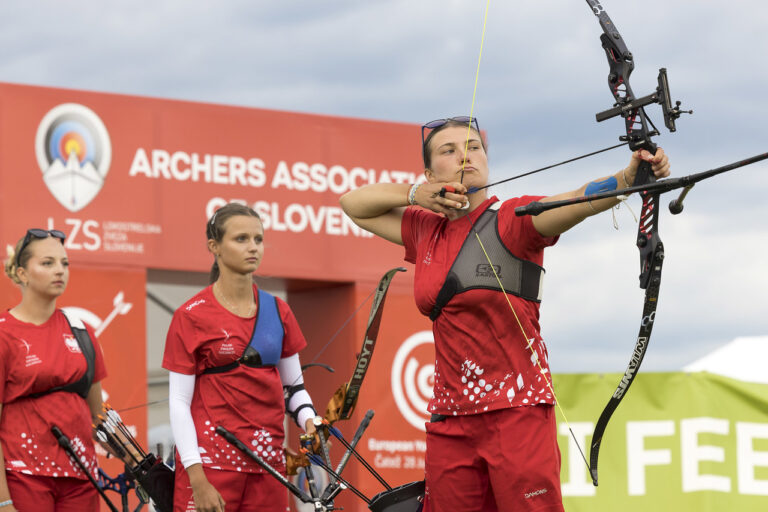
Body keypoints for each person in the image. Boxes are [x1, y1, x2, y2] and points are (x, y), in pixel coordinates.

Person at [339, 117, 671, 512]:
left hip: (517, 414)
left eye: (474, 147)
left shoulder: (512, 221)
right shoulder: (424, 230)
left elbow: (578, 199)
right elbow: (353, 205)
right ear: (430, 174)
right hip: (450, 419)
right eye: (449, 150)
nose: (465, 155)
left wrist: (628, 179)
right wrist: (415, 195)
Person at [162, 203, 320, 512]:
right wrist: (196, 477)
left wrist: (310, 421)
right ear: (214, 246)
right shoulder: (190, 315)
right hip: (211, 466)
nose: (253, 248)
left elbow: (295, 389)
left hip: (269, 466)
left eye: (258, 239)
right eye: (241, 239)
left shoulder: (279, 310)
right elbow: (178, 402)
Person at [0, 229, 109, 512]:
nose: (59, 270)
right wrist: (3, 500)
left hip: (82, 479)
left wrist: (138, 463)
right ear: (22, 274)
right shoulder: (3, 333)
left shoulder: (82, 331)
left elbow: (99, 417)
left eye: (64, 263)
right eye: (47, 263)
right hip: (23, 477)